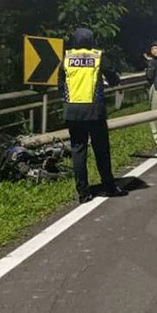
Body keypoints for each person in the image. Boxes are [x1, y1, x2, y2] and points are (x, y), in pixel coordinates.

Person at [59, 28, 127, 203]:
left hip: (73, 111)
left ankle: (83, 193)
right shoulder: (97, 57)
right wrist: (113, 81)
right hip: (94, 110)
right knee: (101, 149)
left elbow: (61, 83)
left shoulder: (66, 58)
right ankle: (109, 187)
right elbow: (112, 77)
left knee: (78, 150)